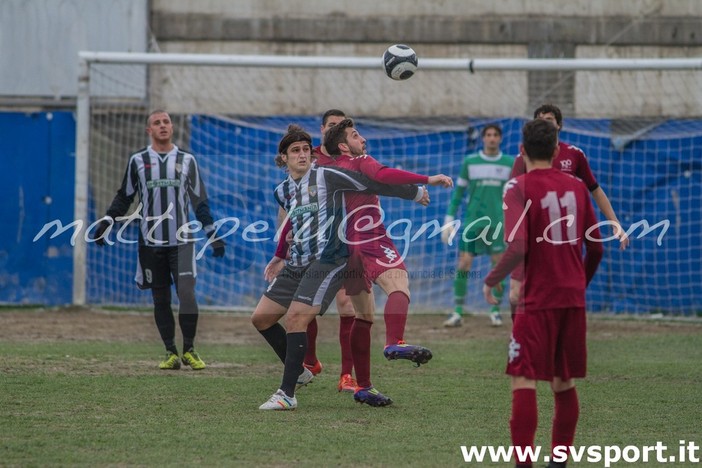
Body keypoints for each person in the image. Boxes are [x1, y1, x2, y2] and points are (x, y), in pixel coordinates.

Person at [253, 124, 429, 410]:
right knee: (261, 319)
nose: (302, 155)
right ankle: (300, 370)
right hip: (296, 263)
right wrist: (279, 255)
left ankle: (287, 394)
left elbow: (371, 183)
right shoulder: (282, 191)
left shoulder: (326, 175)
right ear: (283, 158)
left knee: (298, 318)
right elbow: (288, 226)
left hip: (328, 260)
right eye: (295, 151)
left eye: (306, 150)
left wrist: (414, 191)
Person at [482, 119, 603, 468]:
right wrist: (580, 284)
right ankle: (559, 461)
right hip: (572, 298)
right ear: (555, 151)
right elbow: (596, 249)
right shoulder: (577, 187)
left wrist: (492, 279)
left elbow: (518, 244)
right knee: (563, 382)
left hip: (537, 298)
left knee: (524, 378)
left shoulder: (516, 186)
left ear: (521, 151)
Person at [92, 110, 225, 370]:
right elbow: (124, 197)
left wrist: (212, 234)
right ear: (148, 130)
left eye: (166, 122)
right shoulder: (138, 161)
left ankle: (189, 349)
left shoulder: (187, 160)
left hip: (183, 240)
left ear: (172, 127)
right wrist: (108, 221)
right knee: (160, 298)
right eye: (156, 123)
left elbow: (200, 201)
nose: (162, 126)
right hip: (150, 242)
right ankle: (170, 352)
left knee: (186, 292)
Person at [507, 103, 628, 319]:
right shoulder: (522, 159)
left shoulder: (574, 155)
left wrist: (614, 222)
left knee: (565, 287)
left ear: (559, 125)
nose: (545, 122)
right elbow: (511, 199)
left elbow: (595, 190)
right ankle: (518, 337)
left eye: (550, 119)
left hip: (566, 237)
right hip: (534, 236)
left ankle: (570, 302)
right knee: (518, 295)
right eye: (540, 119)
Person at [440, 124, 514, 327]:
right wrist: (449, 219)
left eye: (495, 135)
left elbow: (515, 196)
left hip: (497, 224)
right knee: (464, 264)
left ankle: (495, 311)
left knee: (498, 267)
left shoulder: (509, 163)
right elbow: (458, 193)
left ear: (500, 138)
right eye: (488, 135)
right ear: (483, 138)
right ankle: (457, 312)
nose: (491, 138)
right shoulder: (470, 162)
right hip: (473, 223)